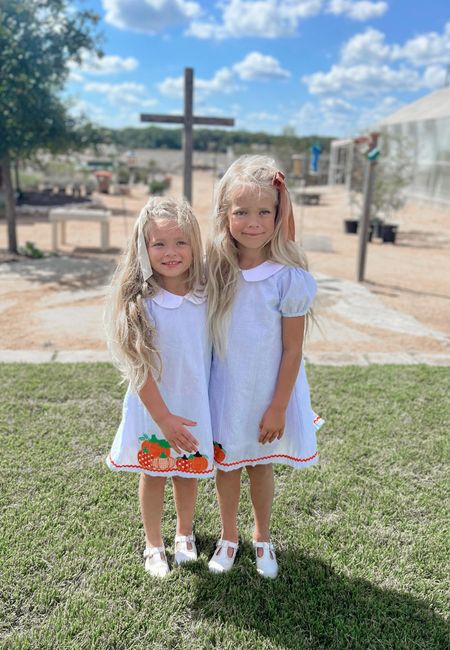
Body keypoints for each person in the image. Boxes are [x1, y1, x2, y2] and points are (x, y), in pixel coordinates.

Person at [206, 155, 324, 578]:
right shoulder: (215, 270)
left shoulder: (288, 278)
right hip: (225, 390)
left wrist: (277, 406)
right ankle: (228, 535)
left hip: (267, 393)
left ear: (279, 214)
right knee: (227, 463)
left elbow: (292, 350)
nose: (252, 222)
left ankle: (262, 537)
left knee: (259, 464)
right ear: (226, 215)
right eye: (241, 212)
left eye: (263, 212)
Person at [105, 197, 214, 577]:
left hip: (192, 401)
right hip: (154, 407)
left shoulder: (207, 292)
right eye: (159, 244)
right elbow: (138, 368)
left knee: (187, 471)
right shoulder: (140, 302)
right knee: (154, 473)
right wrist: (164, 417)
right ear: (143, 248)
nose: (171, 252)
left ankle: (184, 533)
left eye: (181, 242)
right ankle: (154, 543)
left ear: (195, 245)